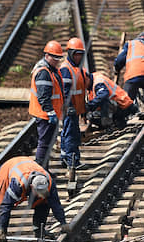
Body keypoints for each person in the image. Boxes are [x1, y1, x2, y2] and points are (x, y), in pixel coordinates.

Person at [0, 156, 69, 242]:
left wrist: (63, 222)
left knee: (44, 201)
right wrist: (0, 229)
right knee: (1, 205)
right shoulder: (17, 184)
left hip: (27, 164)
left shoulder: (49, 182)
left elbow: (55, 204)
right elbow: (5, 207)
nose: (41, 194)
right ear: (32, 187)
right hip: (8, 170)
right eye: (39, 192)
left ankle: (38, 230)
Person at [29, 40, 64, 168]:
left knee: (47, 143)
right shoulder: (44, 72)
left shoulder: (50, 69)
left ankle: (44, 169)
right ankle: (40, 169)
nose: (57, 61)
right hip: (45, 115)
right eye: (54, 58)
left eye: (58, 58)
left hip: (48, 114)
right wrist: (50, 113)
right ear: (47, 55)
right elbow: (43, 96)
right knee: (44, 143)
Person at [60, 37, 88, 169]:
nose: (78, 57)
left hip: (75, 108)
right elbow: (65, 91)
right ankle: (72, 161)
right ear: (70, 53)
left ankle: (65, 157)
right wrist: (69, 106)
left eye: (80, 54)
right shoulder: (66, 69)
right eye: (76, 54)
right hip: (70, 109)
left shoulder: (76, 68)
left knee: (70, 132)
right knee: (71, 133)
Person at [114, 31, 144, 108]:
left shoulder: (131, 44)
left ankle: (122, 116)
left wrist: (117, 68)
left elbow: (120, 59)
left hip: (133, 75)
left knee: (126, 101)